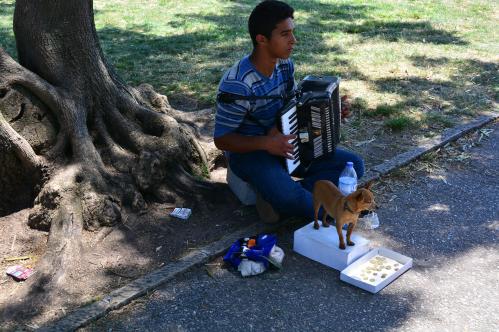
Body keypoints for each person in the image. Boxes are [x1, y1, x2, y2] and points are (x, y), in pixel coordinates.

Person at [214, 0, 364, 222]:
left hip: (285, 142)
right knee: (301, 203)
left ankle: (280, 197)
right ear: (262, 39)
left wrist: (330, 111)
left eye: (292, 32)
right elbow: (223, 140)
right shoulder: (238, 83)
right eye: (285, 34)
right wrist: (267, 143)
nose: (294, 40)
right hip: (252, 155)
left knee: (353, 165)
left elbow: (293, 105)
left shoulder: (285, 65)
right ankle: (294, 199)